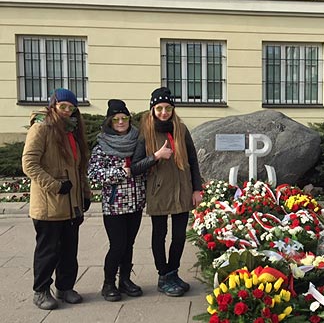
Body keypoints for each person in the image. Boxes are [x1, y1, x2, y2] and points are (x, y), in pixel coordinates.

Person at [22, 88, 92, 310]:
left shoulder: (71, 131)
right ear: (53, 106)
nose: (67, 111)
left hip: (71, 204)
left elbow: (79, 167)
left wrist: (86, 193)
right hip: (49, 204)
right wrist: (55, 186)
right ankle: (41, 291)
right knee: (48, 251)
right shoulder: (41, 128)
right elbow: (29, 164)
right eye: (63, 107)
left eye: (71, 108)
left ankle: (65, 287)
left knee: (69, 250)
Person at [131, 87, 202, 297]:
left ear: (173, 108)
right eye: (159, 108)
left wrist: (197, 189)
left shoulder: (180, 128)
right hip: (159, 191)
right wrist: (156, 156)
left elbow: (193, 160)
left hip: (182, 189)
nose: (164, 112)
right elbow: (135, 167)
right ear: (152, 109)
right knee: (159, 235)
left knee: (179, 236)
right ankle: (163, 276)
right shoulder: (146, 132)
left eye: (167, 108)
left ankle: (173, 272)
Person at [88, 100, 146, 301]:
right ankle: (108, 283)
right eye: (116, 119)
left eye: (124, 118)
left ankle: (126, 280)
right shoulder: (102, 146)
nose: (121, 122)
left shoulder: (137, 140)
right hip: (114, 206)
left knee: (129, 244)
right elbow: (94, 174)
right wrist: (119, 172)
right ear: (110, 122)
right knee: (117, 245)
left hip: (135, 203)